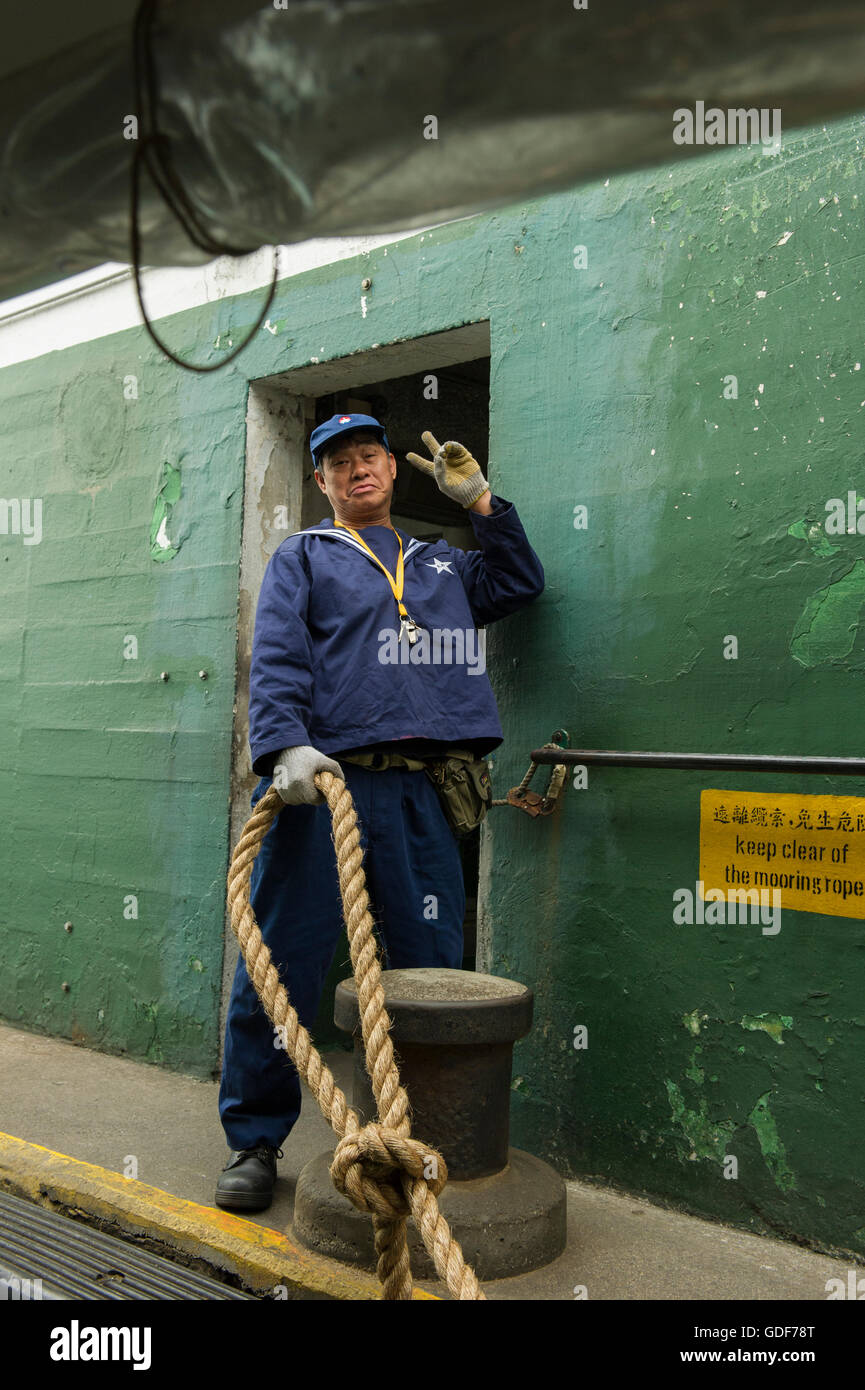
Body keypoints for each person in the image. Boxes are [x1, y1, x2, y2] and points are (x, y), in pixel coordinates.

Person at [215, 412, 544, 1210]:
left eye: (368, 457)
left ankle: (418, 1136)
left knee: (427, 970)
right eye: (337, 463)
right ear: (321, 482)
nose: (355, 469)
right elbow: (281, 655)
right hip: (326, 786)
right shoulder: (304, 556)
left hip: (424, 792)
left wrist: (482, 504)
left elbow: (518, 585)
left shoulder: (442, 564)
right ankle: (255, 1139)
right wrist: (282, 746)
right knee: (282, 965)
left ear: (394, 472)